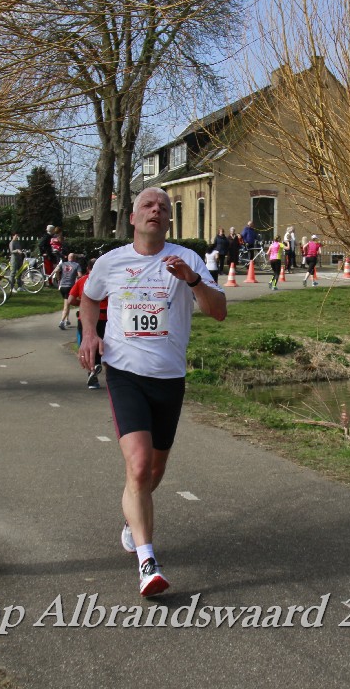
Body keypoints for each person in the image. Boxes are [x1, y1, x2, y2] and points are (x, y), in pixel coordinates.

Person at [79, 187, 227, 597]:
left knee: (153, 472)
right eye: (147, 205)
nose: (155, 211)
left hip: (169, 377)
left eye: (163, 207)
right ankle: (148, 563)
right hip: (124, 373)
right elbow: (89, 299)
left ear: (169, 220)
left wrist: (192, 280)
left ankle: (133, 515)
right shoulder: (111, 262)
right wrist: (89, 334)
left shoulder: (187, 259)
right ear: (132, 217)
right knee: (140, 465)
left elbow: (218, 311)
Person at [68, 257, 107, 388]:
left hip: (85, 319)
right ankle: (103, 369)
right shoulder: (107, 280)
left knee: (88, 346)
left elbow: (70, 300)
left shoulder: (82, 280)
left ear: (88, 268)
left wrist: (83, 303)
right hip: (105, 318)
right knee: (104, 347)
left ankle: (92, 373)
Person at [57, 253, 83, 329]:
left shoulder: (63, 264)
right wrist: (76, 278)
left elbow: (57, 270)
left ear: (68, 258)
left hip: (62, 286)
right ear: (74, 258)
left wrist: (58, 279)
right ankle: (62, 321)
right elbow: (80, 276)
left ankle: (67, 320)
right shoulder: (76, 265)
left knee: (67, 303)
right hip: (69, 286)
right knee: (66, 305)